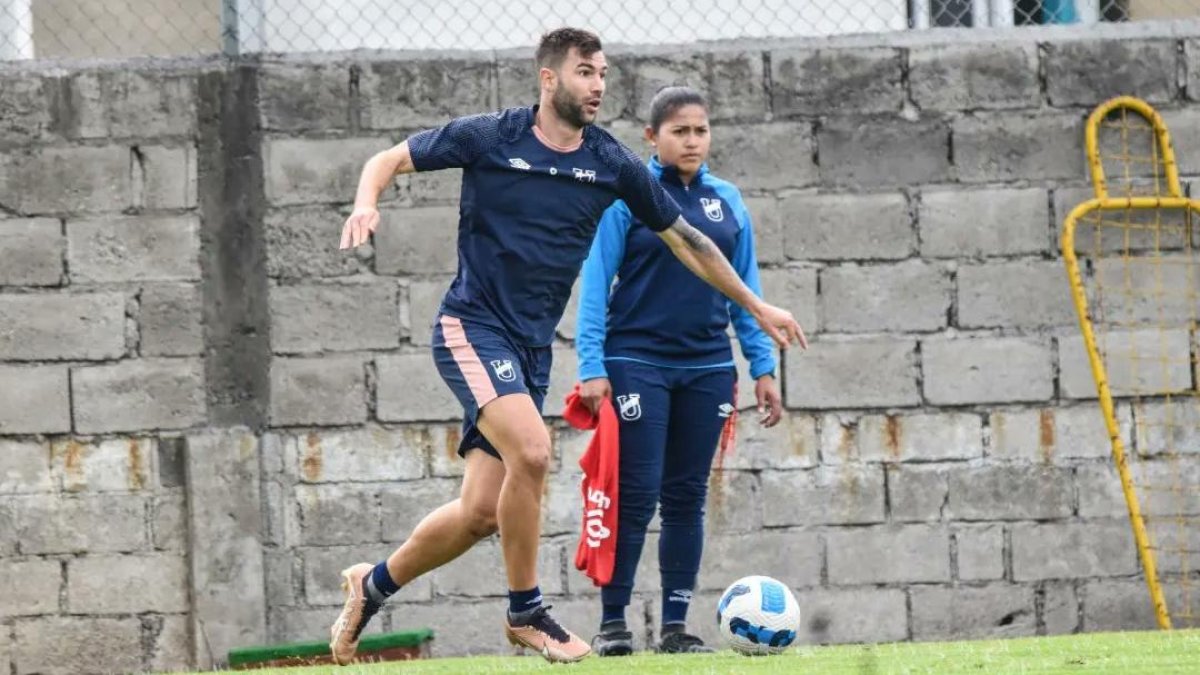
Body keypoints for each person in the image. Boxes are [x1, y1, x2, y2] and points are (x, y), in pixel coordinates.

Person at [330, 28, 807, 665]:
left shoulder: (611, 162)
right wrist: (366, 204)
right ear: (549, 78)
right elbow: (386, 159)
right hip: (471, 327)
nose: (598, 85)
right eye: (586, 72)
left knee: (479, 513)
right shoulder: (491, 136)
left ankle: (374, 584)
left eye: (603, 73)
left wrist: (756, 304)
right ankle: (526, 612)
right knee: (533, 451)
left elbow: (688, 240)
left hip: (528, 351)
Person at [575, 86, 784, 656]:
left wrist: (763, 367)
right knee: (636, 494)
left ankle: (675, 628)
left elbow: (746, 290)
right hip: (636, 362)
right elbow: (594, 286)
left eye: (701, 130)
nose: (692, 141)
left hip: (708, 367)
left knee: (687, 496)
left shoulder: (728, 201)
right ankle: (613, 622)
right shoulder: (626, 198)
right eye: (679, 131)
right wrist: (591, 366)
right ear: (652, 138)